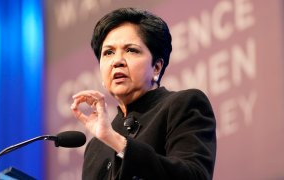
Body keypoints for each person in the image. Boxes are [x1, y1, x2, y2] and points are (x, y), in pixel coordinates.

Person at [71, 7, 216, 180]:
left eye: (131, 50)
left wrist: (116, 142)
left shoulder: (183, 105)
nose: (117, 61)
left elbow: (194, 176)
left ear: (157, 67)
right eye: (108, 52)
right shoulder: (95, 147)